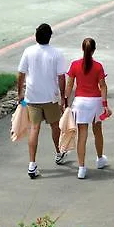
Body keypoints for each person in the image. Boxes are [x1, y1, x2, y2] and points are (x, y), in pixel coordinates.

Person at [16, 23, 68, 179]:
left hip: (32, 97)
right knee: (54, 125)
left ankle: (32, 164)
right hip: (50, 97)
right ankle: (59, 153)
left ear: (36, 36)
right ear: (50, 36)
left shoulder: (28, 51)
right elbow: (61, 77)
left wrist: (20, 94)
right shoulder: (57, 53)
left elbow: (21, 74)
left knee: (34, 128)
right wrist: (63, 97)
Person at [64, 37, 111, 179]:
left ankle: (81, 168)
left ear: (82, 49)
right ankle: (100, 159)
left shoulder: (75, 65)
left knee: (82, 135)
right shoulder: (98, 66)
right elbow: (102, 86)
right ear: (94, 50)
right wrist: (105, 104)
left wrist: (65, 102)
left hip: (80, 103)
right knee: (97, 132)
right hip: (95, 102)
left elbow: (69, 85)